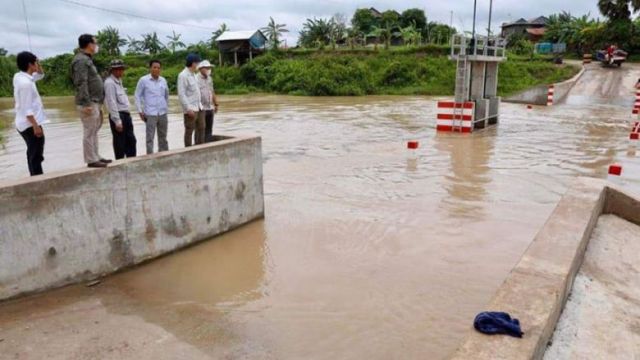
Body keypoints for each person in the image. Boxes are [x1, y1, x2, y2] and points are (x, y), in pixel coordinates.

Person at [71, 34, 110, 168]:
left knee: (94, 130)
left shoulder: (86, 59)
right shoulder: (81, 60)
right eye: (95, 43)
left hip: (95, 101)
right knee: (89, 131)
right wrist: (86, 103)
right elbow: (81, 83)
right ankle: (91, 159)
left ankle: (95, 156)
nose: (96, 45)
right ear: (89, 44)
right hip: (88, 102)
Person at [13, 51, 48, 176]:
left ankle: (35, 177)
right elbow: (27, 108)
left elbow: (40, 75)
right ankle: (37, 179)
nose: (37, 65)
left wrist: (37, 64)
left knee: (33, 153)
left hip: (24, 123)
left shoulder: (19, 76)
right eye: (35, 63)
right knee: (36, 155)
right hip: (29, 124)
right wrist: (35, 126)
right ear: (30, 64)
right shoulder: (25, 84)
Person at [135, 59, 170, 154]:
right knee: (150, 137)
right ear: (150, 68)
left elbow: (166, 95)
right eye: (154, 67)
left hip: (162, 113)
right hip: (150, 113)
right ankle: (150, 157)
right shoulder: (143, 80)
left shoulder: (163, 80)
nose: (157, 69)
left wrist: (166, 108)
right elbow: (137, 95)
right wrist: (140, 110)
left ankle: (164, 155)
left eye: (158, 68)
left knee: (163, 137)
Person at [104, 59, 136, 159]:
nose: (120, 71)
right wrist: (117, 121)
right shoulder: (109, 83)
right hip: (119, 116)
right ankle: (120, 164)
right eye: (118, 69)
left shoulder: (119, 81)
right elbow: (111, 102)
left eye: (121, 69)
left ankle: (131, 163)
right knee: (120, 144)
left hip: (126, 115)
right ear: (113, 70)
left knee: (131, 141)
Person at [177, 53, 203, 147]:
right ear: (193, 64)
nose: (199, 65)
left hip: (199, 107)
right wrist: (188, 109)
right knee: (189, 131)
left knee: (201, 128)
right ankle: (188, 150)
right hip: (191, 109)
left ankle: (199, 147)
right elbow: (181, 94)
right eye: (198, 63)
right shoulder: (183, 75)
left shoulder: (194, 75)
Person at [196, 60, 219, 142]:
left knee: (209, 129)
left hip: (210, 107)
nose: (209, 69)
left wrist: (216, 104)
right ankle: (198, 146)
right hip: (200, 109)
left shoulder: (210, 79)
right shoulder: (196, 79)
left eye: (209, 68)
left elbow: (212, 91)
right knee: (200, 129)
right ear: (201, 69)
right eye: (207, 68)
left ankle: (208, 145)